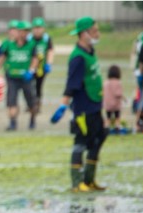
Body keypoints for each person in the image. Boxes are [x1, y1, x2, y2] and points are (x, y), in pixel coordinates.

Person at [51, 17, 107, 193]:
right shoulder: (78, 58)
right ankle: (76, 183)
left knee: (98, 139)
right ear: (84, 34)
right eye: (94, 31)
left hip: (95, 105)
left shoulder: (91, 52)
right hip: (83, 108)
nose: (97, 34)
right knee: (81, 142)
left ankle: (89, 180)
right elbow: (72, 84)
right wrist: (62, 105)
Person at [0, 20, 39, 130]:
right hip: (12, 77)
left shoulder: (31, 45)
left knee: (31, 101)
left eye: (27, 31)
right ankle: (13, 123)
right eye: (23, 31)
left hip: (26, 78)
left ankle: (32, 119)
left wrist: (31, 71)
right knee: (11, 101)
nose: (25, 34)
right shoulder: (9, 45)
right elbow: (2, 59)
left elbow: (35, 59)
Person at [29, 17, 55, 117]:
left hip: (42, 67)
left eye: (39, 28)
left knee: (39, 87)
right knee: (30, 88)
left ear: (43, 28)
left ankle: (38, 106)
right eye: (35, 28)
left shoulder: (46, 38)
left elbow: (50, 51)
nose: (37, 30)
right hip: (31, 67)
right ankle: (31, 104)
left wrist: (49, 63)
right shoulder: (29, 38)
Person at [103, 65, 125, 133]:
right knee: (117, 117)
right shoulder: (118, 82)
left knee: (108, 117)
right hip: (116, 104)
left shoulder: (106, 82)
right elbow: (118, 93)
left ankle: (106, 128)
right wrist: (124, 98)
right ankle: (117, 127)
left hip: (107, 104)